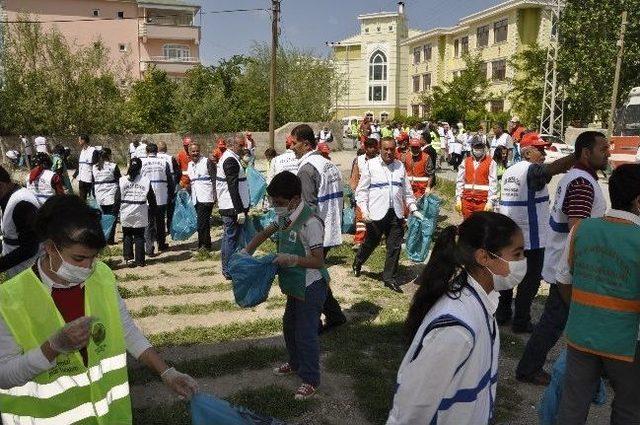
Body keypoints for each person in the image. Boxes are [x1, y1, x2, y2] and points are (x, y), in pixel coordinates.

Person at [0, 195, 197, 422]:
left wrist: (166, 372)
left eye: (93, 257)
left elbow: (125, 330)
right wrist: (52, 347)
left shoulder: (101, 275)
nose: (88, 267)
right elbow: (4, 376)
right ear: (49, 248)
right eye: (79, 258)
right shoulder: (9, 299)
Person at [387, 212, 525, 424]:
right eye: (517, 255)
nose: (522, 262)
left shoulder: (481, 303)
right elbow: (413, 407)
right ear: (484, 257)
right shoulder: (457, 328)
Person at [516, 131, 610, 385]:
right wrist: (583, 269)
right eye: (603, 149)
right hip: (570, 266)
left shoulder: (579, 177)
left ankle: (596, 369)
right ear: (586, 153)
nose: (608, 152)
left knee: (563, 319)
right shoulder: (581, 183)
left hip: (564, 262)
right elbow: (577, 230)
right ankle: (529, 368)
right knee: (554, 321)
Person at [554, 164, 640, 424]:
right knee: (629, 407)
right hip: (627, 343)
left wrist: (582, 310)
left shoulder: (582, 230)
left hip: (582, 334)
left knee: (573, 404)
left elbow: (562, 280)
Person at [244, 171, 329, 400]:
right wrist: (246, 251)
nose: (276, 206)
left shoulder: (311, 223)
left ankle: (311, 379)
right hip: (293, 284)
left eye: (279, 203)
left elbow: (318, 260)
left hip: (310, 286)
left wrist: (291, 259)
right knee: (289, 327)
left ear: (294, 198)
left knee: (305, 333)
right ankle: (295, 362)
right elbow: (266, 232)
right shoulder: (286, 216)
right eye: (274, 202)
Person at [496, 132, 576, 334]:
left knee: (507, 276)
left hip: (508, 235)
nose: (543, 153)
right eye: (540, 150)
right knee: (529, 283)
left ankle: (503, 314)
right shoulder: (531, 171)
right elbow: (554, 168)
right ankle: (521, 322)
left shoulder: (510, 171)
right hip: (530, 239)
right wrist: (578, 155)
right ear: (527, 152)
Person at [293, 124, 346, 332]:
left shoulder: (307, 169)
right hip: (331, 227)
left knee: (308, 279)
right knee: (317, 275)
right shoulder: (327, 164)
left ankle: (313, 322)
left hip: (316, 232)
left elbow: (307, 207)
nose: (292, 147)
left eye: (295, 143)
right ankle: (334, 315)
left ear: (306, 144)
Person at [354, 138, 423, 293]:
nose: (389, 152)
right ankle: (358, 261)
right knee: (370, 243)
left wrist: (413, 209)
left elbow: (407, 192)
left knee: (394, 247)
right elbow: (361, 191)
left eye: (392, 149)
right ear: (380, 149)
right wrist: (364, 211)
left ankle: (389, 278)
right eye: (386, 149)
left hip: (396, 213)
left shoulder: (400, 166)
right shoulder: (371, 165)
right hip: (376, 214)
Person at [217, 135, 250, 278]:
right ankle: (228, 269)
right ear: (232, 145)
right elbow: (232, 187)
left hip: (231, 206)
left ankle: (228, 268)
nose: (243, 148)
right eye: (241, 145)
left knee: (229, 238)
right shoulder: (230, 160)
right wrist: (239, 210)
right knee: (231, 238)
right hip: (232, 207)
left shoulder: (231, 158)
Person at [0, 165, 40, 277]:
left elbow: (30, 248)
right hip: (18, 270)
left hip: (27, 272)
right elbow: (10, 234)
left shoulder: (22, 204)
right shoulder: (8, 197)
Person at [120, 158, 157, 268]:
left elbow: (117, 197)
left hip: (126, 211)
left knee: (127, 235)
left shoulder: (122, 180)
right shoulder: (145, 180)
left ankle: (128, 257)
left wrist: (114, 211)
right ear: (140, 168)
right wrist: (154, 211)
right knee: (139, 236)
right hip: (140, 211)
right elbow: (151, 197)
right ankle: (140, 261)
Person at [142, 143, 174, 255]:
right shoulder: (163, 162)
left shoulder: (142, 162)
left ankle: (149, 248)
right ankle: (161, 244)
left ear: (147, 151)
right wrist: (171, 194)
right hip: (161, 196)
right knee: (160, 222)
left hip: (146, 197)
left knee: (148, 223)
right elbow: (170, 180)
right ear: (157, 151)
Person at [455, 137, 498, 219]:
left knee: (480, 227)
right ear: (472, 148)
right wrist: (458, 199)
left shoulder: (491, 162)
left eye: (480, 147)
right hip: (467, 201)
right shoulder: (465, 161)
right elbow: (460, 181)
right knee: (467, 225)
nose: (478, 150)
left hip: (482, 202)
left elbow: (493, 183)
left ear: (484, 148)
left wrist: (490, 202)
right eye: (476, 147)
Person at [350, 138, 379, 250]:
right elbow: (355, 176)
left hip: (376, 193)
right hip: (362, 193)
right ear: (365, 148)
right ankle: (359, 240)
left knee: (375, 216)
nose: (372, 149)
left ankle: (374, 239)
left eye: (374, 147)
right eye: (369, 147)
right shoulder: (359, 160)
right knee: (360, 217)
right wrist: (354, 191)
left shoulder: (380, 160)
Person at [188, 142, 217, 252]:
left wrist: (215, 195)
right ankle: (202, 244)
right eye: (193, 151)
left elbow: (214, 178)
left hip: (206, 196)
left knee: (202, 223)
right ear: (189, 152)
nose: (195, 153)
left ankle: (205, 246)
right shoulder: (190, 164)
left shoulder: (207, 161)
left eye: (197, 151)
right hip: (196, 197)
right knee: (201, 222)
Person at [92, 148, 121, 245]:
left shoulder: (94, 167)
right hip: (111, 195)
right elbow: (119, 180)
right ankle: (110, 239)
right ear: (109, 155)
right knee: (112, 217)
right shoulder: (113, 166)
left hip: (99, 195)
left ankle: (103, 237)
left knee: (103, 217)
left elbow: (92, 182)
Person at [73, 135, 98, 202]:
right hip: (81, 178)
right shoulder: (82, 151)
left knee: (92, 197)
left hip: (89, 178)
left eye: (79, 140)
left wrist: (94, 178)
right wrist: (75, 175)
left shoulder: (93, 150)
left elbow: (95, 165)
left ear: (83, 140)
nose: (79, 142)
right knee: (82, 198)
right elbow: (80, 164)